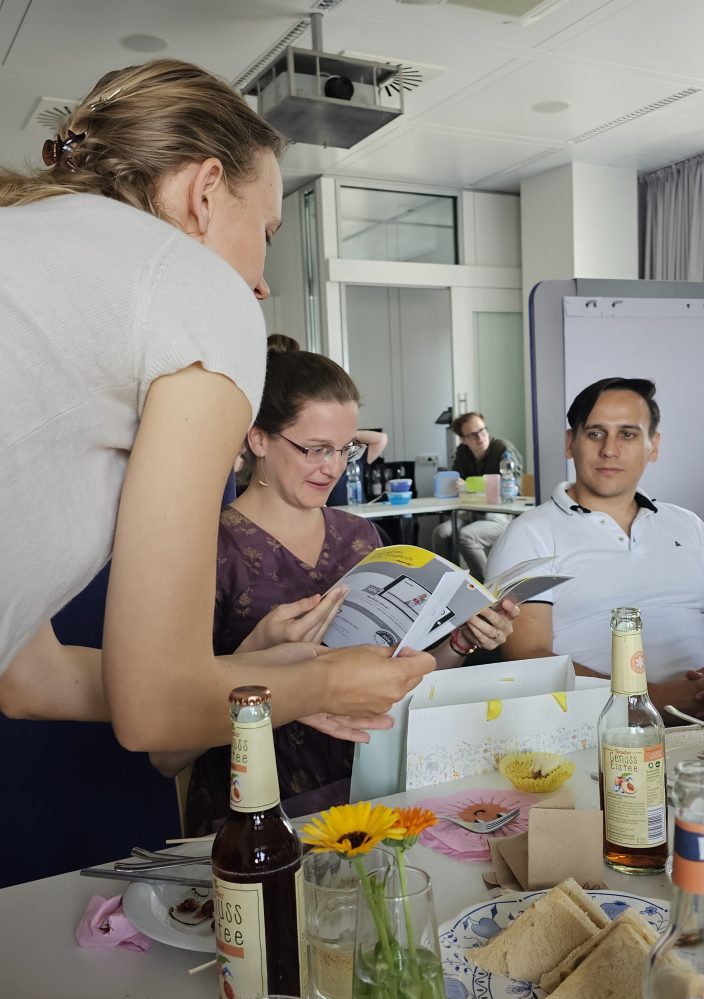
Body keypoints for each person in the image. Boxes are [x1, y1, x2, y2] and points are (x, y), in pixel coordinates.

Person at [0, 58, 435, 753]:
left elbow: (33, 681)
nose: (261, 287)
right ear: (204, 193)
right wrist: (328, 683)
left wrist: (260, 674)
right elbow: (158, 712)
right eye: (266, 233)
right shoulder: (195, 283)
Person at [167, 349, 519, 831]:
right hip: (260, 813)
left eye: (344, 449)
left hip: (374, 792)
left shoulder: (360, 537)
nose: (332, 468)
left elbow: (397, 683)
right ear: (259, 438)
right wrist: (254, 657)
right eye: (314, 449)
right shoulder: (206, 548)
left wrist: (460, 641)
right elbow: (167, 751)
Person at [487, 377, 704, 721]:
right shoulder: (529, 534)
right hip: (602, 729)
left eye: (627, 434)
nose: (609, 450)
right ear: (570, 443)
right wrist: (656, 701)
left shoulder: (688, 525)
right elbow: (529, 658)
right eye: (595, 433)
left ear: (653, 446)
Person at [431, 412, 524, 581]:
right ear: (463, 439)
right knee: (441, 533)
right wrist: (463, 485)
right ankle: (447, 583)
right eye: (472, 435)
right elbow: (455, 483)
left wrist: (468, 485)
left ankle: (487, 588)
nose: (480, 437)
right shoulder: (463, 452)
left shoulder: (503, 449)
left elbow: (511, 487)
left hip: (500, 513)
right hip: (471, 511)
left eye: (482, 430)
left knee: (466, 536)